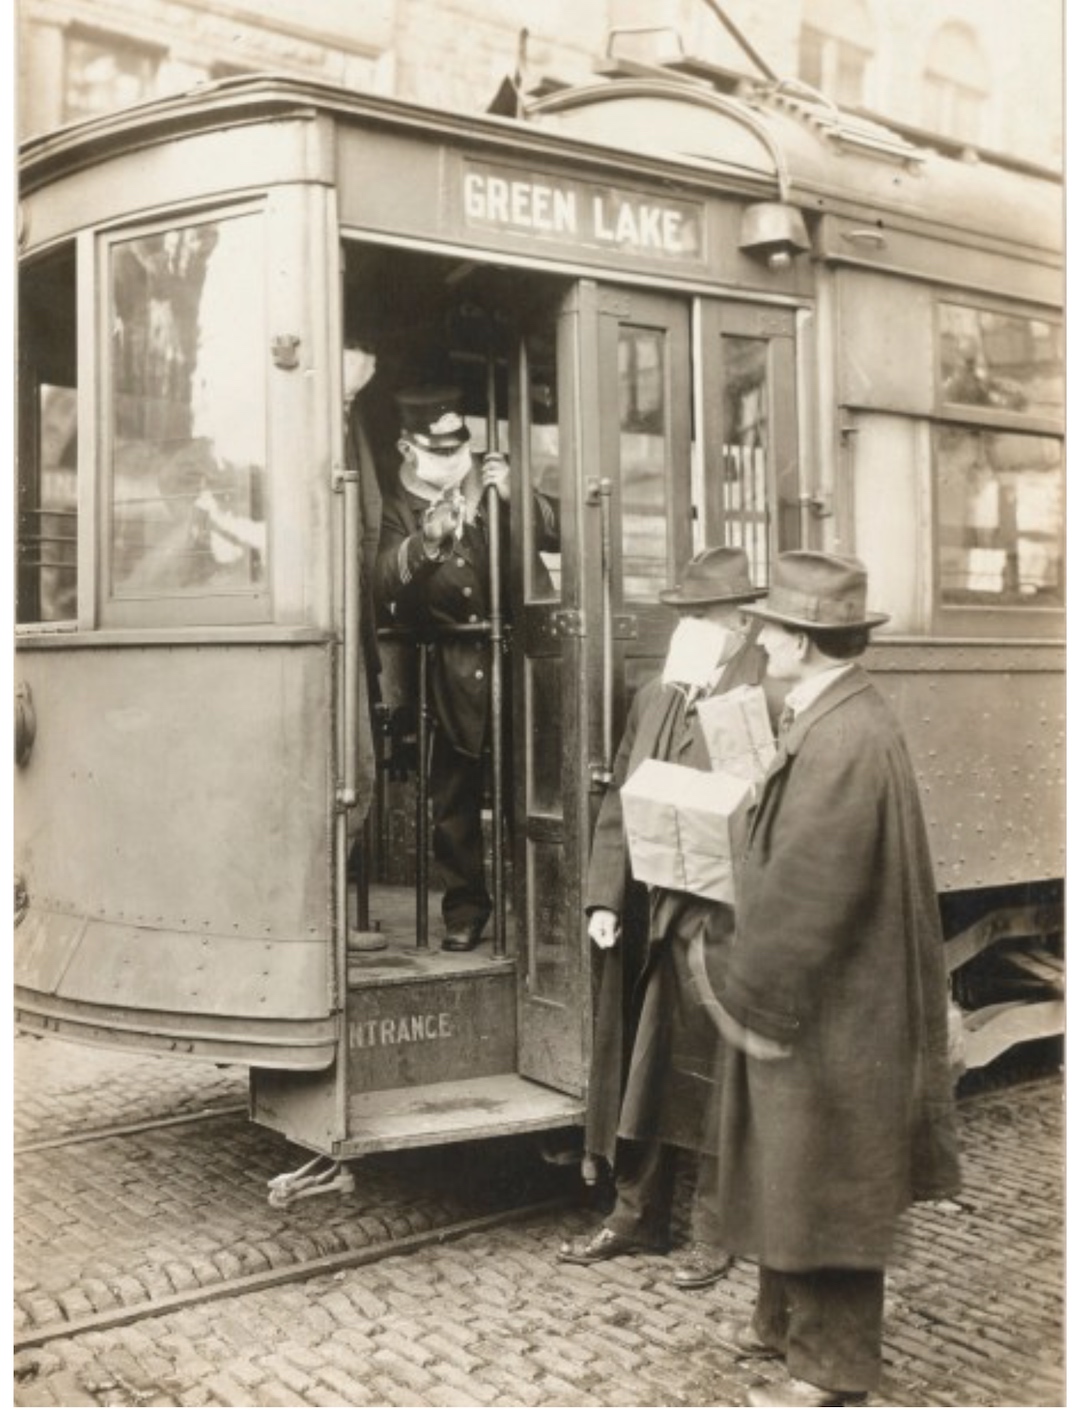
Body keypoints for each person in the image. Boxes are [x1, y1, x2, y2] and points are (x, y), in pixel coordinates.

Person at [700, 551, 960, 1407]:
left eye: (770, 625)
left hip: (831, 1010)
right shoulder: (840, 713)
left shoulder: (841, 734)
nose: (760, 636)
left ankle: (828, 1370)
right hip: (834, 1002)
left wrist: (751, 987)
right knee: (798, 1168)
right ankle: (783, 1329)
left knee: (831, 1182)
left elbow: (813, 887)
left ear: (804, 643)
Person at [558, 546, 768, 1289]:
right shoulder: (656, 696)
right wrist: (604, 897)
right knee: (645, 1067)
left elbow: (768, 811)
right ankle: (635, 1216)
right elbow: (620, 795)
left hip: (723, 917)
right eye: (686, 615)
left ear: (741, 621)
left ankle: (719, 1229)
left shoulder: (763, 696)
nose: (691, 628)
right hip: (652, 913)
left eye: (704, 616)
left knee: (715, 1069)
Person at [374, 385, 558, 951]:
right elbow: (382, 584)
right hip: (451, 668)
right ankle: (465, 908)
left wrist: (516, 497)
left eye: (460, 450)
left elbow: (555, 536)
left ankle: (540, 904)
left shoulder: (491, 482)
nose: (454, 461)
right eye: (439, 451)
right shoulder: (398, 507)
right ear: (409, 449)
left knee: (531, 789)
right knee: (453, 799)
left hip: (520, 664)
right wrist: (427, 542)